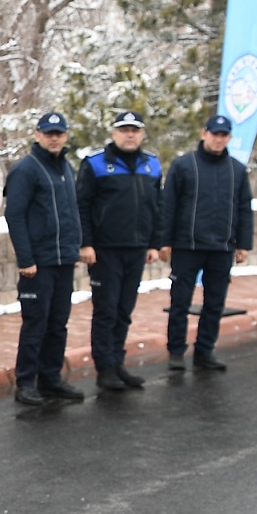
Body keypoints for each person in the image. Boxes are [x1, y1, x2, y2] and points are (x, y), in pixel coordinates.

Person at [76, 111, 164, 392]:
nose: (130, 135)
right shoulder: (96, 165)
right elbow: (82, 206)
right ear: (114, 133)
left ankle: (118, 362)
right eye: (124, 129)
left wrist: (153, 243)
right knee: (106, 310)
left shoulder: (152, 165)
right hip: (105, 251)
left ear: (142, 134)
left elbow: (157, 207)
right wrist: (85, 243)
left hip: (137, 249)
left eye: (135, 130)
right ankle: (105, 368)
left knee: (125, 310)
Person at [159, 114, 254, 371]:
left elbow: (244, 208)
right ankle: (176, 352)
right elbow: (169, 206)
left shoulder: (236, 169)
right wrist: (164, 242)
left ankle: (205, 351)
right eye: (215, 134)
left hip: (221, 248)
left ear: (229, 138)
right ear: (204, 134)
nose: (218, 139)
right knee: (180, 302)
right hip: (186, 247)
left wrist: (243, 244)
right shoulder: (183, 165)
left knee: (215, 303)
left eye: (223, 135)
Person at [4, 112, 85, 406]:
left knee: (58, 323)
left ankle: (50, 378)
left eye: (59, 133)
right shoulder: (26, 169)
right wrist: (26, 259)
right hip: (37, 264)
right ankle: (26, 381)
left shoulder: (66, 167)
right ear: (37, 135)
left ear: (65, 136)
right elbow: (15, 215)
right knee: (35, 323)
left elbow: (72, 212)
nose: (54, 138)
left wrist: (74, 249)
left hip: (63, 261)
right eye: (48, 133)